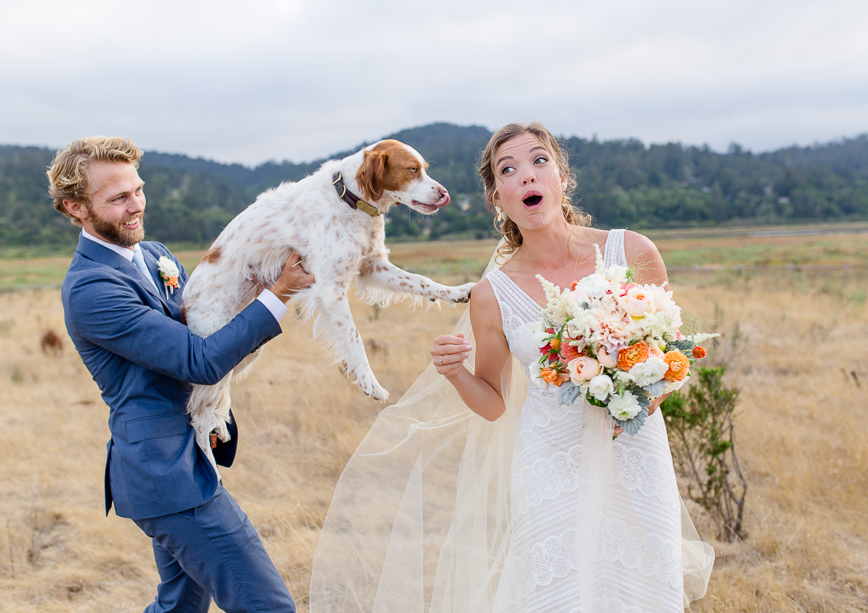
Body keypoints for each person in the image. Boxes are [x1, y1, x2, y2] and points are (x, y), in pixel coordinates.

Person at [309, 123, 713, 612]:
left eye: (539, 161)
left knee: (642, 589)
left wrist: (630, 401)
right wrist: (457, 372)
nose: (526, 176)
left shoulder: (632, 252)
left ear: (562, 178)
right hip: (548, 464)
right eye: (508, 170)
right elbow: (494, 403)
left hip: (635, 453)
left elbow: (671, 360)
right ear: (496, 196)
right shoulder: (491, 295)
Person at [49, 136, 314, 613]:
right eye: (118, 199)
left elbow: (205, 323)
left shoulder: (155, 256)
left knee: (180, 607)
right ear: (76, 208)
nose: (136, 206)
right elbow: (200, 359)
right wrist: (279, 294)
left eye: (138, 190)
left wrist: (257, 281)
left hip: (188, 452)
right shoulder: (91, 289)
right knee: (269, 607)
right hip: (165, 473)